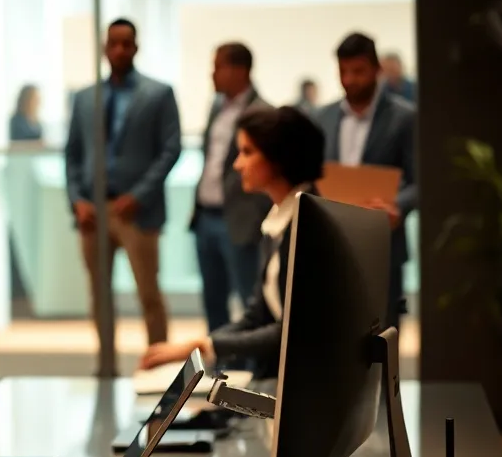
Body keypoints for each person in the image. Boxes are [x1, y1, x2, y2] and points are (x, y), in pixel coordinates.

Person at [140, 106, 325, 374]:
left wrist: (204, 347)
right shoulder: (282, 217)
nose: (237, 164)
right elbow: (259, 315)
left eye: (248, 152)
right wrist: (202, 345)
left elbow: (291, 332)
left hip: (309, 385)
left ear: (280, 158)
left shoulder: (310, 225)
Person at [64, 17, 181, 346]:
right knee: (99, 297)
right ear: (104, 48)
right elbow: (72, 153)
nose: (119, 49)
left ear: (136, 47)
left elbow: (171, 149)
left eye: (126, 43)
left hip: (136, 212)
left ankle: (160, 368)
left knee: (149, 294)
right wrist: (77, 201)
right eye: (113, 43)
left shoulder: (159, 94)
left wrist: (139, 196)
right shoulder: (85, 97)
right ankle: (106, 368)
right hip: (92, 211)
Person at [315, 32, 416, 329]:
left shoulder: (404, 117)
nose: (349, 79)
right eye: (343, 71)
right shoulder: (323, 117)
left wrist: (397, 205)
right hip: (333, 241)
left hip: (383, 241)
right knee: (334, 330)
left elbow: (420, 182)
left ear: (376, 70)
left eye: (358, 71)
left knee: (383, 332)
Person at [191, 42, 272, 333]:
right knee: (213, 302)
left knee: (249, 301)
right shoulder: (215, 107)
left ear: (241, 70)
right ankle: (218, 368)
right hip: (206, 217)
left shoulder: (262, 113)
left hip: (239, 219)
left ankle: (251, 371)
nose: (212, 74)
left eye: (218, 67)